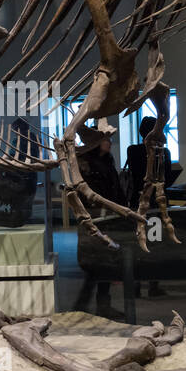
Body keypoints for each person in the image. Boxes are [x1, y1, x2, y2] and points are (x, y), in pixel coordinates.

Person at [76, 134, 124, 313]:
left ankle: (102, 304)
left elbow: (114, 187)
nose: (109, 143)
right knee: (96, 262)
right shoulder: (87, 165)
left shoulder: (107, 162)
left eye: (110, 140)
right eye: (106, 140)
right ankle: (87, 305)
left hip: (108, 216)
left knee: (106, 262)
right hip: (95, 217)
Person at [125, 116, 172, 298]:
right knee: (154, 244)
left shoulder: (132, 151)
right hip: (151, 205)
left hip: (138, 204)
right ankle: (152, 284)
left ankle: (137, 284)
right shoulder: (163, 153)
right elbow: (165, 177)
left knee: (140, 243)